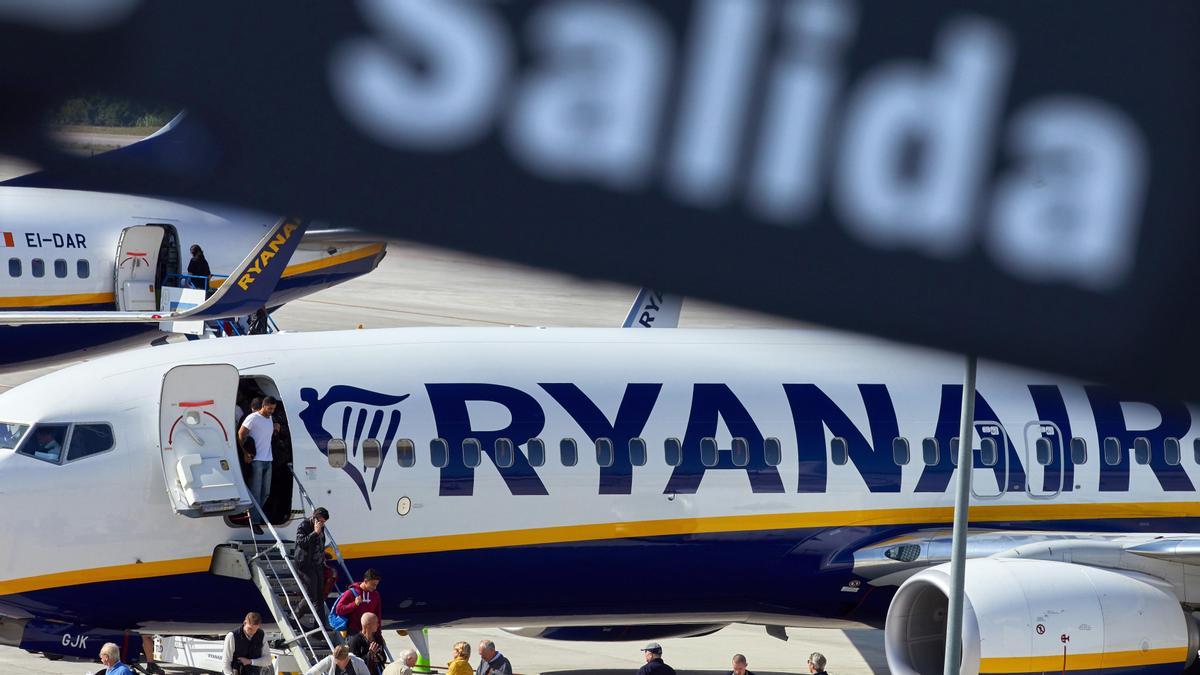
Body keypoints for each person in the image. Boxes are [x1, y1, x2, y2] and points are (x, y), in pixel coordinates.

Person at [239, 395, 277, 527]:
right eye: (270, 409)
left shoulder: (270, 418)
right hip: (257, 460)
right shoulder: (253, 418)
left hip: (268, 459)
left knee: (265, 492)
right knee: (256, 492)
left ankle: (255, 516)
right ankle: (254, 521)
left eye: (273, 409)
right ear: (263, 406)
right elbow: (240, 434)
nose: (272, 411)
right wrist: (245, 453)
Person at [294, 506, 330, 626]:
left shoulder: (321, 527)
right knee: (311, 595)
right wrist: (315, 532)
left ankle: (320, 627)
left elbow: (319, 543)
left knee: (320, 596)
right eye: (321, 521)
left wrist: (323, 553)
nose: (322, 523)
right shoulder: (303, 526)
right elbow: (302, 543)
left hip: (317, 564)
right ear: (315, 517)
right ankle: (295, 616)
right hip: (306, 565)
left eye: (324, 522)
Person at [334, 568, 383, 635]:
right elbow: (338, 610)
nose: (375, 587)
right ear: (365, 581)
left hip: (370, 633)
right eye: (373, 584)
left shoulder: (375, 595)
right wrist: (354, 604)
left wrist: (378, 633)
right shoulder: (350, 593)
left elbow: (378, 615)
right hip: (354, 633)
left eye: (376, 585)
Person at [306, 644, 371, 675]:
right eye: (336, 661)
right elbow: (313, 672)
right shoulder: (330, 660)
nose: (337, 664)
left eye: (340, 662)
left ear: (347, 658)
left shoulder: (358, 662)